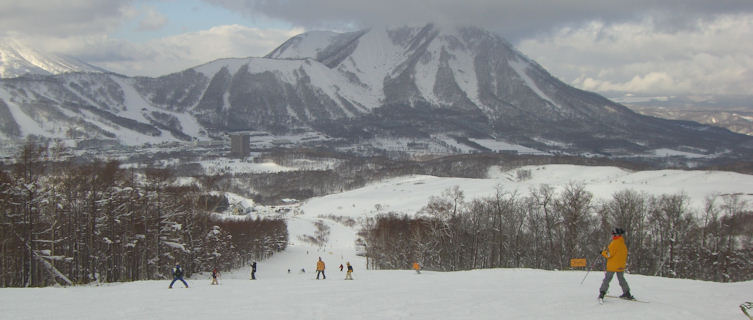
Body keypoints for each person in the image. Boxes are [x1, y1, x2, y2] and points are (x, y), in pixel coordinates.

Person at [598, 228, 635, 301]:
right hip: (621, 265)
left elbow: (609, 254)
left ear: (616, 235)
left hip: (612, 265)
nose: (613, 236)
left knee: (607, 279)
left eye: (614, 234)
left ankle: (602, 293)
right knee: (621, 279)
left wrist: (602, 252)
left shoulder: (614, 243)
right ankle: (627, 293)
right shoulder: (623, 244)